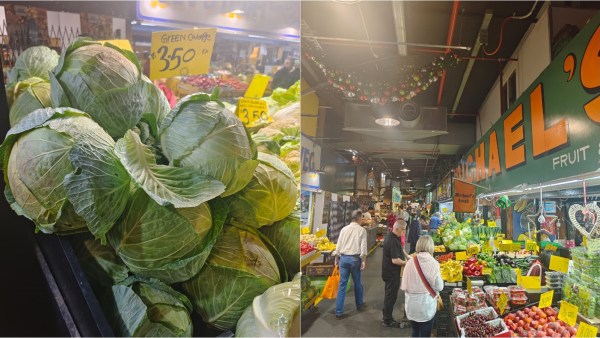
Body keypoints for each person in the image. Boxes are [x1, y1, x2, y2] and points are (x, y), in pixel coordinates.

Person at [401, 235, 443, 337]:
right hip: (426, 307)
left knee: (415, 332)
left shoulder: (410, 262)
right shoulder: (434, 263)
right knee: (424, 334)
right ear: (431, 247)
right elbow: (439, 287)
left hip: (411, 307)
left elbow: (404, 285)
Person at [332, 210, 368, 319]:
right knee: (357, 283)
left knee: (342, 285)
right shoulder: (362, 230)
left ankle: (338, 312)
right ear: (359, 218)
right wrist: (363, 260)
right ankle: (359, 305)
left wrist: (336, 257)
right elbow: (363, 248)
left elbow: (339, 244)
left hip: (343, 259)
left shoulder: (344, 229)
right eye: (362, 218)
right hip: (355, 259)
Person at [381, 220, 411, 328]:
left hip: (390, 272)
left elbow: (400, 250)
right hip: (391, 273)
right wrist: (407, 263)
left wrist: (407, 256)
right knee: (391, 296)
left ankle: (386, 316)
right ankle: (387, 320)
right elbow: (395, 260)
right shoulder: (392, 240)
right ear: (397, 228)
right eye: (403, 230)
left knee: (389, 295)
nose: (404, 232)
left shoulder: (393, 237)